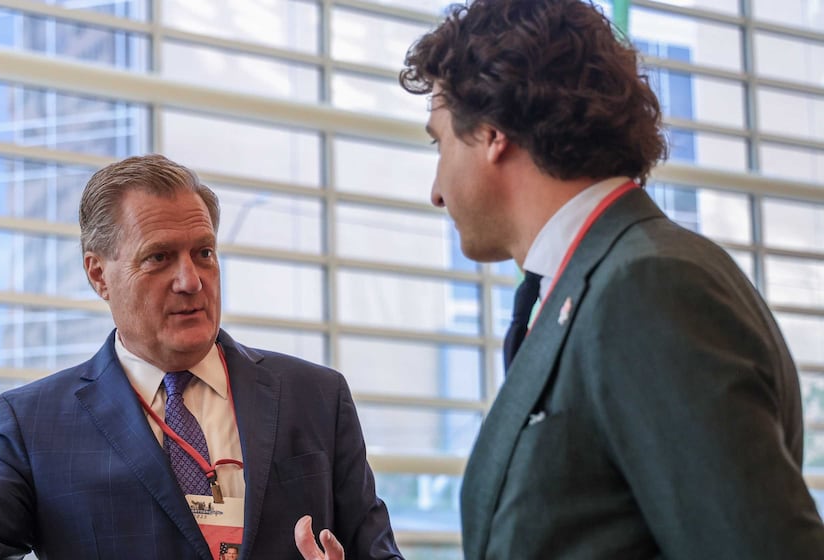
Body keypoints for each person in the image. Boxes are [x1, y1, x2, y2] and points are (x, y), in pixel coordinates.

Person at [296, 0, 824, 558]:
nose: (436, 189)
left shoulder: (646, 289)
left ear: (493, 132)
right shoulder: (589, 284)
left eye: (440, 142)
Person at [0, 154, 402, 560]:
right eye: (159, 258)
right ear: (99, 274)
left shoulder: (315, 397)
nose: (191, 280)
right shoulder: (36, 423)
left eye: (204, 253)